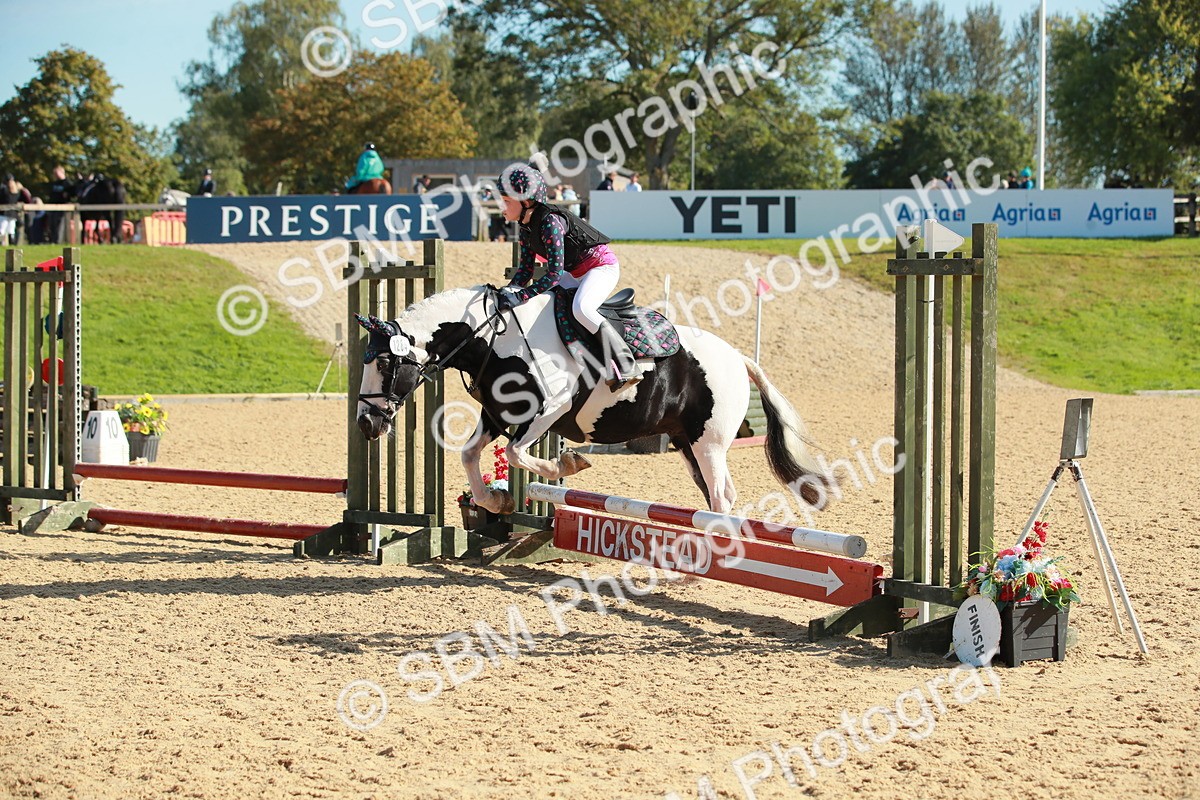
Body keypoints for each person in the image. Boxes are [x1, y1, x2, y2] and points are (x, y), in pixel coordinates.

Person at [495, 163, 638, 389]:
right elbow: (525, 272)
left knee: (582, 308)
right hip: (574, 272)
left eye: (506, 201)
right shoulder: (525, 228)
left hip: (601, 267)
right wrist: (507, 293)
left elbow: (552, 275)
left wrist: (520, 297)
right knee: (547, 304)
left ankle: (625, 362)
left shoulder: (550, 222)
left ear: (526, 202)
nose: (501, 206)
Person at [1, 174, 31, 245]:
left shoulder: (5, 191)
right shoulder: (13, 191)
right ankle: (10, 244)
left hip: (6, 213)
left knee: (5, 230)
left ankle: (7, 244)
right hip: (9, 214)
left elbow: (27, 200)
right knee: (8, 230)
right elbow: (27, 199)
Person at [46, 166, 73, 244]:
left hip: (62, 207)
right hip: (52, 206)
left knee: (59, 225)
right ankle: (52, 241)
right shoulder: (54, 183)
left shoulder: (67, 183)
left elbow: (72, 194)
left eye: (56, 173)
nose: (55, 175)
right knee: (52, 224)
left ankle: (58, 241)